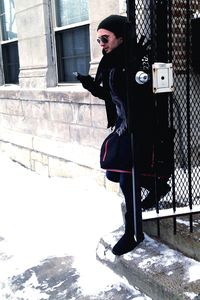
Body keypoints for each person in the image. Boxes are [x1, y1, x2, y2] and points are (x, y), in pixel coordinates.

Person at [76, 15, 171, 256]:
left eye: (105, 38)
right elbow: (110, 95)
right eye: (99, 40)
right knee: (113, 172)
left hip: (141, 127)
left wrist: (136, 79)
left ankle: (133, 233)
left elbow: (148, 97)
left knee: (127, 178)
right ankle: (157, 186)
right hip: (122, 125)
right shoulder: (109, 62)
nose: (102, 44)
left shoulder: (137, 59)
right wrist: (89, 85)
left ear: (120, 37)